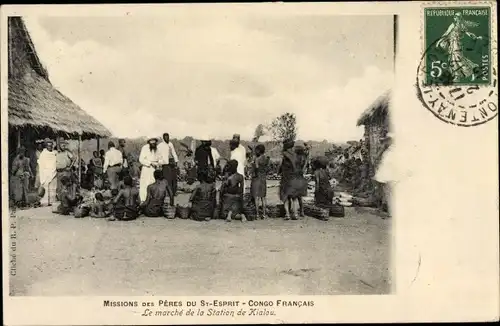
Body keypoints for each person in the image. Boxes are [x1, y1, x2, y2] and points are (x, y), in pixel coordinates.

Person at [279, 139, 300, 220]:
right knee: (294, 197)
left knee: (286, 197)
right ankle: (295, 214)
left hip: (286, 177)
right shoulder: (295, 155)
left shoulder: (285, 154)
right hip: (294, 177)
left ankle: (287, 214)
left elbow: (281, 166)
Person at [139, 137, 162, 201]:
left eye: (154, 143)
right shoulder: (145, 148)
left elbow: (160, 159)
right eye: (151, 143)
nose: (153, 144)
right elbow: (141, 159)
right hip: (146, 169)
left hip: (154, 169)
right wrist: (150, 163)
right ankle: (143, 200)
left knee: (153, 184)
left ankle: (153, 200)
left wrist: (158, 163)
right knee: (145, 185)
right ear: (149, 142)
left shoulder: (157, 149)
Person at [250, 144, 270, 219]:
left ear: (258, 151)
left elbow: (256, 168)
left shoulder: (257, 159)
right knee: (263, 198)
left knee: (256, 197)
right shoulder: (266, 159)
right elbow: (267, 169)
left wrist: (253, 164)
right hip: (263, 179)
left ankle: (257, 214)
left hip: (257, 178)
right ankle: (264, 215)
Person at [38, 139, 58, 206]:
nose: (50, 147)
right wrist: (44, 172)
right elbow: (41, 164)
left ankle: (52, 201)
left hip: (53, 172)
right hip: (46, 173)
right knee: (46, 188)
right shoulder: (43, 154)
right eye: (48, 146)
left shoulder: (54, 153)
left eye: (51, 145)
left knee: (53, 188)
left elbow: (56, 161)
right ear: (46, 146)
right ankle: (45, 202)